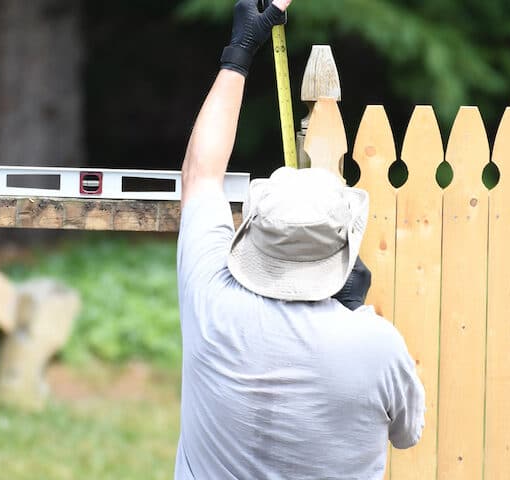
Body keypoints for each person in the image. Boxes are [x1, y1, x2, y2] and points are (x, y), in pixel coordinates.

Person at [174, 0, 426, 478]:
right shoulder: (376, 346)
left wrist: (240, 52)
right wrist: (352, 319)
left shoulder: (211, 305)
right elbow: (408, 434)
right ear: (343, 257)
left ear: (254, 240)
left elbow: (201, 175)